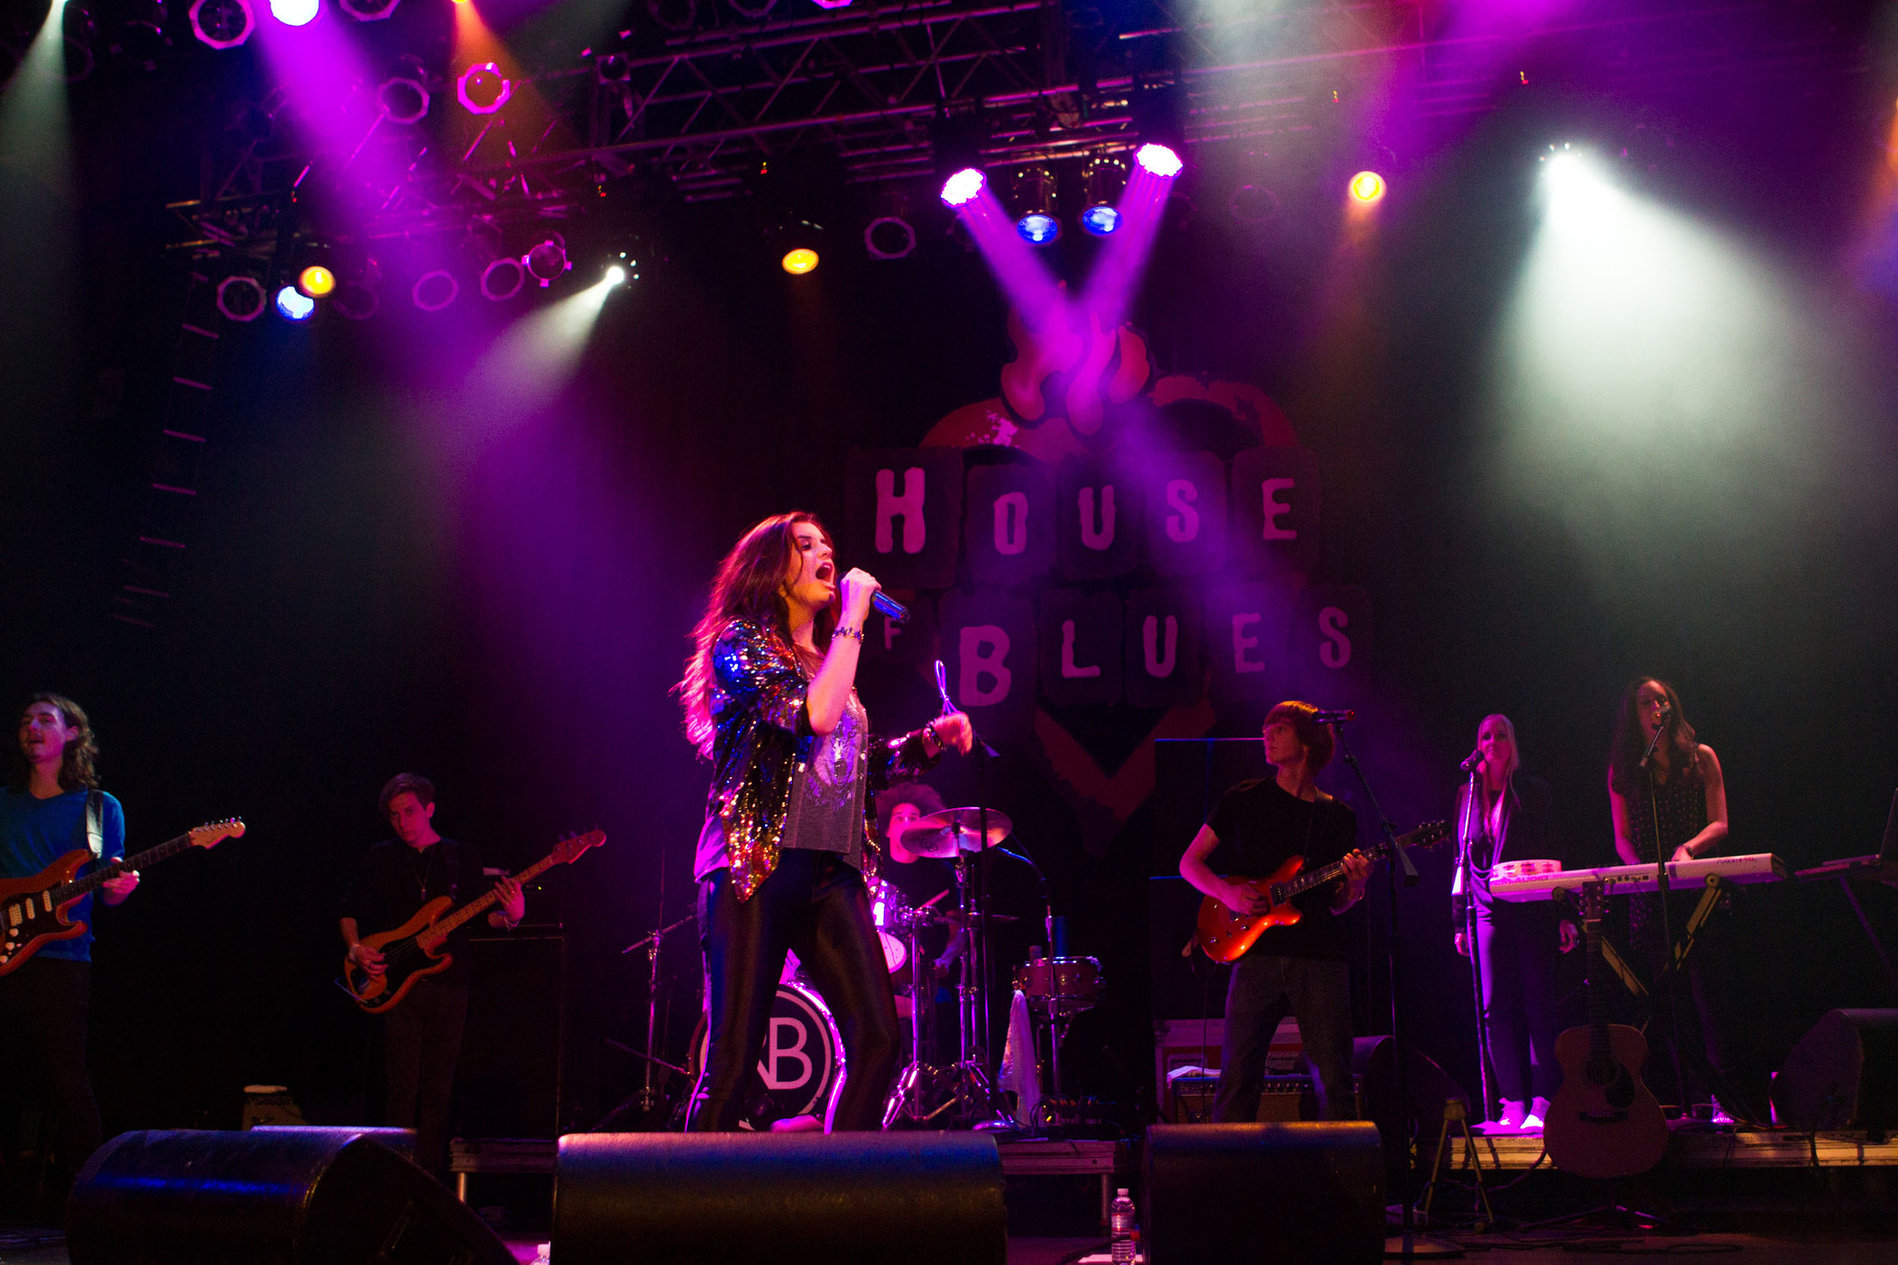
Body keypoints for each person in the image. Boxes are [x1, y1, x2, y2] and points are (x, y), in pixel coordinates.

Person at [676, 511, 973, 1131]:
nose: (824, 554)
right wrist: (855, 621)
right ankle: (681, 1215)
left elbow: (852, 767)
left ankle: (833, 1191)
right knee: (732, 1062)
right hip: (755, 865)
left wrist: (927, 742)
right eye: (805, 546)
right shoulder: (743, 644)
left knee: (879, 1041)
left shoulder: (830, 660)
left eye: (827, 545)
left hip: (829, 871)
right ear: (771, 569)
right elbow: (811, 718)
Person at [1178, 701, 1372, 1122]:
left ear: (1306, 741)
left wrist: (1355, 886)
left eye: (1278, 728)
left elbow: (1335, 905)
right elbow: (1189, 863)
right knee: (1238, 1078)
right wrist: (1227, 896)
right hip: (1255, 956)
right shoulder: (1242, 799)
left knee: (1334, 1078)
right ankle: (1228, 1180)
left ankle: (1342, 1179)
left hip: (1318, 955)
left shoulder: (1337, 816)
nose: (1266, 735)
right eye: (1266, 728)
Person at [338, 774, 523, 1178]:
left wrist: (512, 916)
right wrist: (355, 948)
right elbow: (349, 908)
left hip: (449, 986)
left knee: (439, 1092)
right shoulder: (380, 856)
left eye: (409, 812)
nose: (402, 823)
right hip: (397, 986)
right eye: (394, 816)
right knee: (400, 1092)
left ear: (429, 810)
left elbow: (478, 918)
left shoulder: (460, 856)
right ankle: (392, 1180)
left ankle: (427, 1184)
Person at [1607, 677, 1760, 1124]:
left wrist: (1689, 849)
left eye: (1663, 699)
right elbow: (1622, 838)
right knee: (1670, 1002)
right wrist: (1641, 873)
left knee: (1711, 995)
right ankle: (1694, 1101)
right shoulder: (1623, 768)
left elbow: (1721, 823)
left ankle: (1728, 1100)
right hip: (1651, 893)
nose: (1656, 706)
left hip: (1698, 888)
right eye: (1645, 701)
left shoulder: (1701, 757)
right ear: (1632, 713)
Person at [0, 694, 139, 1179]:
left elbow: (109, 895)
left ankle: (92, 1196)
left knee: (67, 1079)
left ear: (72, 734)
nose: (31, 727)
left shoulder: (100, 809)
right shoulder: (5, 803)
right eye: (25, 721)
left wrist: (120, 885)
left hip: (63, 958)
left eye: (44, 719)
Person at [1450, 714, 1578, 1134]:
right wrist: (1459, 921)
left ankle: (1544, 1100)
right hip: (1485, 909)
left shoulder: (1532, 792)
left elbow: (1557, 848)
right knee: (1492, 1007)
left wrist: (1564, 912)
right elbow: (1461, 860)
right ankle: (1512, 1104)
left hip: (1531, 905)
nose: (1491, 741)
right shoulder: (1467, 794)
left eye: (1501, 733)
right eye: (1484, 734)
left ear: (1512, 743)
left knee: (1537, 1001)